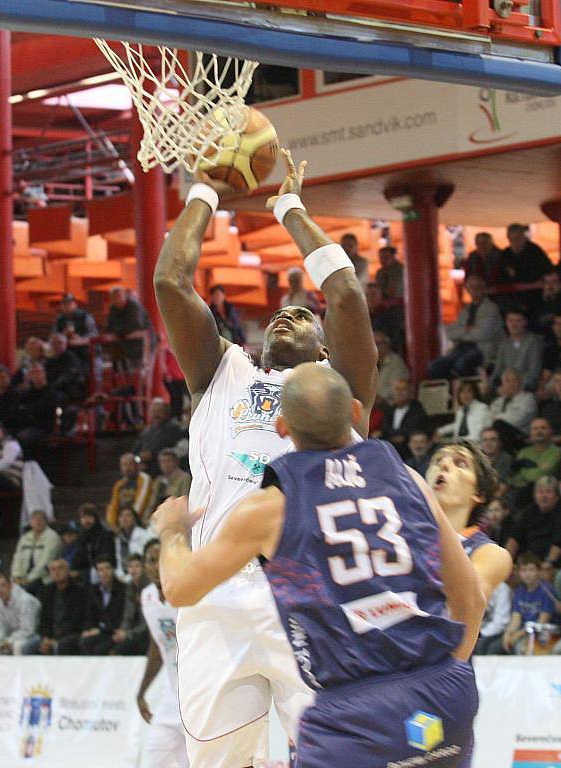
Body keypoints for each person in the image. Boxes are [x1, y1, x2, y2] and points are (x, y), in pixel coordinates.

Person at [153, 150, 378, 767]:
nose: (289, 311)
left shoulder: (340, 389)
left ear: (326, 346)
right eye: (279, 312)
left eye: (304, 314)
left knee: (341, 759)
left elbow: (347, 292)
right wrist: (203, 190)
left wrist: (289, 207)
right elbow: (171, 283)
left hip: (314, 592)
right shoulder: (220, 371)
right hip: (217, 589)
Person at [152, 363, 486, 768]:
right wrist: (445, 677)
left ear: (282, 429)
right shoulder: (407, 479)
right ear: (357, 413)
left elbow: (180, 589)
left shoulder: (271, 508)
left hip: (357, 711)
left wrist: (171, 532)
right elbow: (471, 598)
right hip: (444, 692)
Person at [426, 440, 512, 601]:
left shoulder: (490, 553)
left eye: (460, 463)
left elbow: (463, 606)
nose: (444, 464)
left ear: (479, 494)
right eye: (438, 460)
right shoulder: (400, 533)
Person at [137, 539, 188, 768]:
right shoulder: (147, 597)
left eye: (160, 558)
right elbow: (157, 646)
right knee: (153, 758)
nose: (155, 564)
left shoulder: (189, 590)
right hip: (171, 693)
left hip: (198, 692)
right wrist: (142, 691)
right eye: (150, 559)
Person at [428, 275, 503, 379]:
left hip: (482, 350)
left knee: (461, 365)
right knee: (434, 367)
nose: (475, 290)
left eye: (478, 286)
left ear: (484, 288)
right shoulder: (465, 310)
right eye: (471, 287)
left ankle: (466, 392)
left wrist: (463, 332)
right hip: (461, 349)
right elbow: (450, 332)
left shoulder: (491, 309)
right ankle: (452, 392)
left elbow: (482, 334)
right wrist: (469, 330)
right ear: (467, 289)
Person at [506, 476, 561, 568]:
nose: (544, 496)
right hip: (528, 561)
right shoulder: (529, 511)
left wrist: (548, 563)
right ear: (535, 495)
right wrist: (507, 562)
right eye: (540, 492)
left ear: (557, 496)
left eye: (548, 492)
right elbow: (514, 538)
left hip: (555, 562)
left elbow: (560, 543)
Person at [492, 553, 556, 655]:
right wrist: (508, 633)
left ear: (539, 571)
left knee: (521, 647)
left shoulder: (546, 591)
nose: (527, 574)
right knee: (493, 647)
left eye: (531, 570)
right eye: (524, 570)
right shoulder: (519, 592)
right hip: (523, 631)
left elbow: (542, 621)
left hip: (542, 633)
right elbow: (516, 619)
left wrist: (518, 634)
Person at [22, 558, 87, 655]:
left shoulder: (80, 591)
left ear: (67, 570)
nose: (56, 572)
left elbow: (78, 620)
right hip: (50, 635)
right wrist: (46, 638)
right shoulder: (46, 592)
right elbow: (44, 620)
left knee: (59, 646)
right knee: (28, 647)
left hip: (72, 634)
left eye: (60, 568)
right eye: (52, 569)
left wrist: (56, 640)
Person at [79, 554, 125, 655]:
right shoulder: (93, 590)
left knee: (99, 649)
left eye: (107, 568)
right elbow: (89, 615)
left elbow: (120, 617)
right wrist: (88, 630)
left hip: (114, 631)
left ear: (113, 569)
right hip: (99, 631)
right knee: (84, 642)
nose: (104, 573)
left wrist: (100, 630)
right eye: (100, 569)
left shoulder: (123, 590)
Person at [509, 418, 561, 501]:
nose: (539, 431)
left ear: (550, 431)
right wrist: (537, 468)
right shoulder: (524, 452)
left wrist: (525, 473)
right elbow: (513, 477)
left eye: (543, 428)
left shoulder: (557, 452)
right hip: (520, 492)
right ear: (530, 432)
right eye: (535, 429)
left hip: (545, 494)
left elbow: (540, 475)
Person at [105, 286, 156, 372]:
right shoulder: (113, 308)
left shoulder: (134, 306)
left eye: (119, 296)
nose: (117, 300)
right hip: (127, 347)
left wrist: (117, 334)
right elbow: (109, 327)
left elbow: (134, 325)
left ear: (125, 295)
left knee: (143, 375)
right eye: (114, 297)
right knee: (131, 375)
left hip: (144, 345)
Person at [11, 509, 62, 593]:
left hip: (44, 578)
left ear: (46, 522)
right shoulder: (24, 538)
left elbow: (46, 561)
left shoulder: (52, 537)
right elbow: (17, 558)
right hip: (24, 579)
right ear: (30, 522)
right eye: (35, 519)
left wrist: (29, 579)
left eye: (41, 519)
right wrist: (17, 576)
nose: (38, 522)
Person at [491, 310, 543, 392]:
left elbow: (534, 372)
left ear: (525, 322)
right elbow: (498, 371)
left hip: (525, 389)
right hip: (506, 388)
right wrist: (497, 387)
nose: (514, 325)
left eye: (518, 321)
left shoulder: (534, 341)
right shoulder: (504, 344)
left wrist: (516, 388)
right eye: (510, 321)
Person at [110, 553, 150, 655]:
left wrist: (127, 634)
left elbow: (148, 622)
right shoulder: (129, 587)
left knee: (119, 651)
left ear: (143, 568)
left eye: (137, 566)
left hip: (147, 632)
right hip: (134, 630)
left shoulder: (149, 587)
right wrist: (122, 631)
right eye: (130, 566)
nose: (133, 570)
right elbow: (127, 615)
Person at [132, 398, 183, 476]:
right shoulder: (146, 431)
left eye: (159, 411)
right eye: (153, 411)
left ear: (166, 412)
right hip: (145, 469)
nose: (156, 414)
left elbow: (169, 445)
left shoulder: (173, 428)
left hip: (164, 470)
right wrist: (139, 460)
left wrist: (152, 454)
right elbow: (136, 451)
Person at [380, 379, 428, 458]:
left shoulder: (417, 408)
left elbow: (412, 428)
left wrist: (400, 436)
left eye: (404, 389)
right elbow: (385, 429)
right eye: (397, 389)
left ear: (410, 391)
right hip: (391, 444)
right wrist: (393, 437)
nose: (400, 392)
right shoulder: (390, 409)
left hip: (408, 449)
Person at [54, 292, 99, 375]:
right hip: (68, 355)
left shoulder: (85, 316)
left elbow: (94, 335)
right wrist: (64, 334)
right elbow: (54, 337)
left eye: (69, 303)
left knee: (91, 377)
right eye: (64, 304)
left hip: (87, 354)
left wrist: (80, 340)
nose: (67, 306)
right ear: (61, 306)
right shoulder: (59, 319)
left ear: (75, 304)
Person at [71, 503, 116, 584]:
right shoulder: (81, 537)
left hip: (102, 571)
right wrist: (73, 571)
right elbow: (77, 558)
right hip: (85, 574)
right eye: (83, 517)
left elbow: (105, 558)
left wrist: (81, 573)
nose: (86, 520)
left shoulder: (105, 535)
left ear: (95, 518)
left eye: (89, 517)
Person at [106, 453, 152, 530]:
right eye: (124, 465)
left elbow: (141, 502)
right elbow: (113, 505)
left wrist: (129, 520)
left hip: (142, 521)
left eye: (130, 464)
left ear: (137, 466)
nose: (127, 468)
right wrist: (112, 523)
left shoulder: (144, 479)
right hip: (124, 522)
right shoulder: (119, 485)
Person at [145, 450, 192, 522]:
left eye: (168, 461)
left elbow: (184, 499)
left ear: (176, 462)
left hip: (177, 516)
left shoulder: (185, 478)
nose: (165, 464)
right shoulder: (158, 480)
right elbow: (152, 503)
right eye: (162, 461)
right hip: (159, 517)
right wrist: (146, 520)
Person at [45, 332, 86, 402]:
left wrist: (50, 387)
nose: (56, 346)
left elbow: (67, 377)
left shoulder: (71, 359)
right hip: (55, 390)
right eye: (53, 344)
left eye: (60, 343)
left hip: (70, 392)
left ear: (65, 344)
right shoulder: (50, 361)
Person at [473, 582, 512, 655]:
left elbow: (500, 622)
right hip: (473, 633)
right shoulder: (470, 584)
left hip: (495, 632)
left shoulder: (502, 588)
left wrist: (479, 635)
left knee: (483, 646)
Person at [373, 330, 409, 406]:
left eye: (381, 343)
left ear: (387, 344)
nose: (378, 347)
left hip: (390, 406)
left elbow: (399, 386)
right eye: (375, 343)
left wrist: (380, 397)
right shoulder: (371, 363)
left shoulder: (396, 362)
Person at [114, 508, 151, 579]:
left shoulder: (143, 535)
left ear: (134, 519)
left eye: (128, 516)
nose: (124, 519)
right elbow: (118, 560)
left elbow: (145, 559)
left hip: (141, 576)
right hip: (123, 577)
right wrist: (120, 575)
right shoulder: (118, 538)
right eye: (121, 516)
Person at [479, 428, 513, 492]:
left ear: (500, 443)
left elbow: (503, 486)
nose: (488, 444)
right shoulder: (476, 458)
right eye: (485, 440)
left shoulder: (507, 459)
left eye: (493, 440)